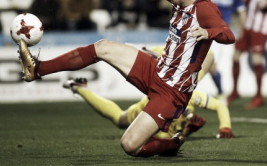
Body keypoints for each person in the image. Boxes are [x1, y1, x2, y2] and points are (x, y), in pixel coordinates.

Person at [18, 0, 235, 157]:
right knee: (102, 47)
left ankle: (170, 144)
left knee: (130, 145)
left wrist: (208, 33)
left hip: (172, 92)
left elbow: (229, 35)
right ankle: (37, 69)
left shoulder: (205, 10)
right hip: (156, 68)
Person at [61, 47, 234, 139]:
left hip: (160, 98)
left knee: (121, 120)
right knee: (121, 120)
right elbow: (162, 138)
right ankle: (81, 88)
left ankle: (80, 87)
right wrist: (188, 130)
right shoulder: (181, 95)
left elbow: (220, 106)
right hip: (150, 106)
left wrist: (224, 127)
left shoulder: (191, 95)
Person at [198, 0, 246, 98]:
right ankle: (219, 92)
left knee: (210, 64)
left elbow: (242, 12)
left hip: (219, 33)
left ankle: (220, 92)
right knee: (204, 65)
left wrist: (241, 31)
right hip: (201, 30)